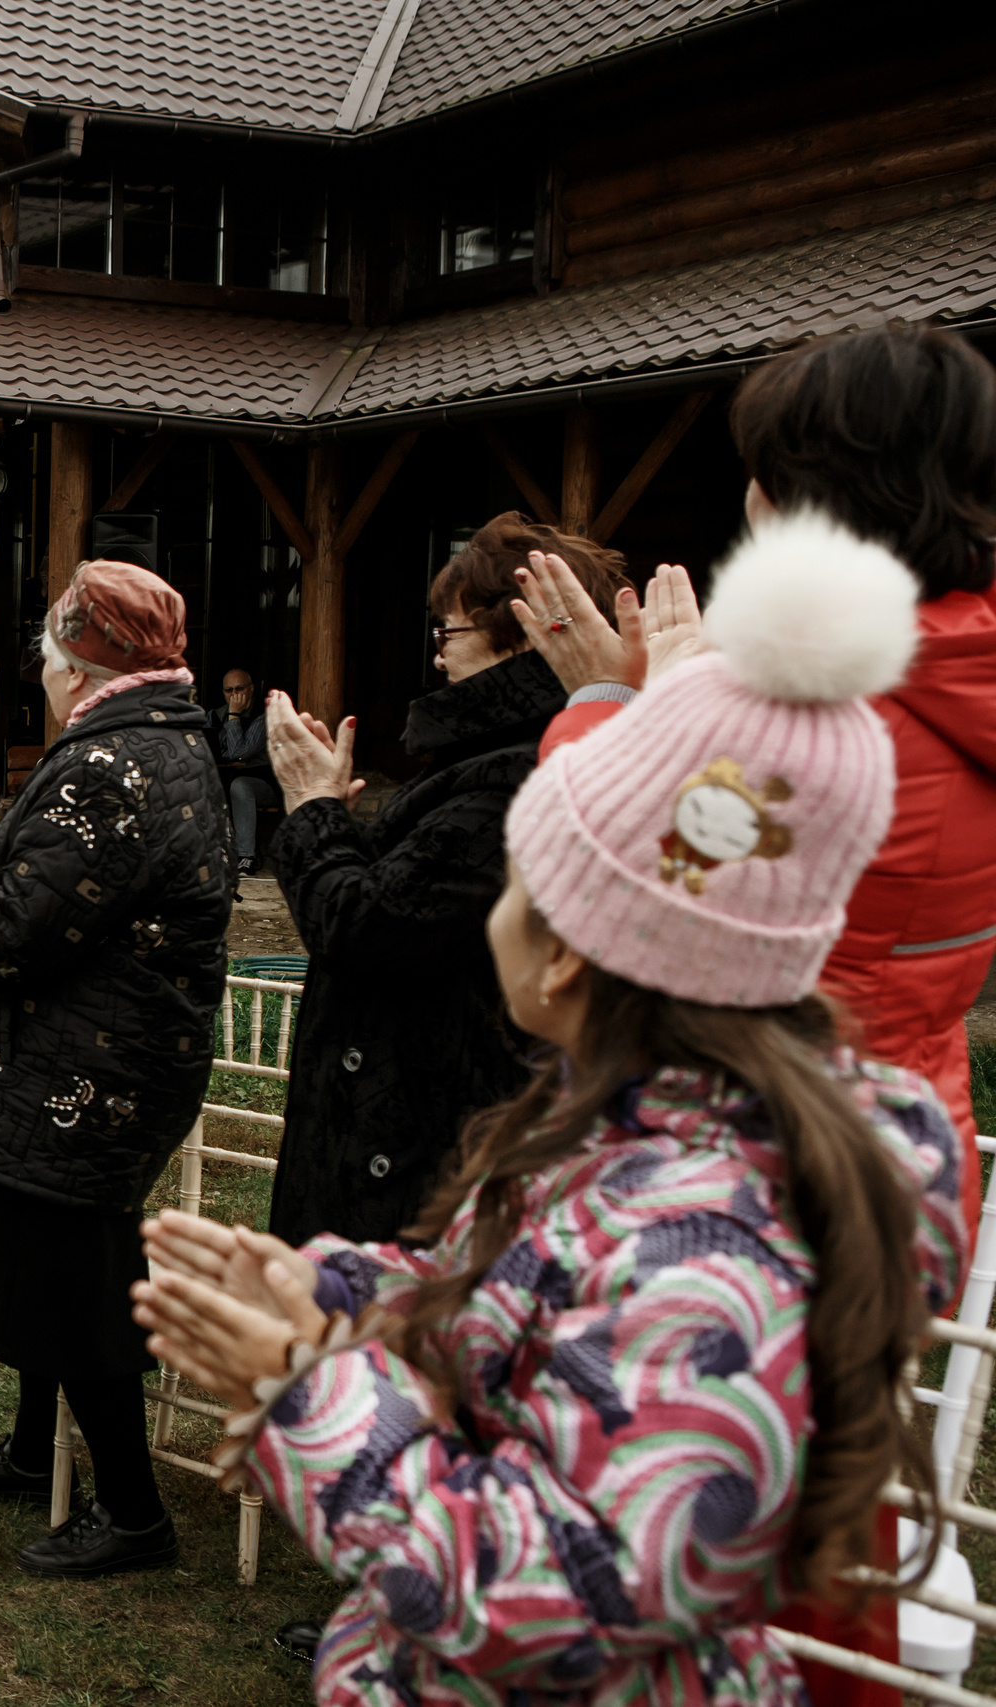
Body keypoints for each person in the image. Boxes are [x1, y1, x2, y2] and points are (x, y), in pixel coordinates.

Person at [132, 514, 965, 1706]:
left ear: (572, 955)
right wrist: (346, 1299)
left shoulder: (705, 1258)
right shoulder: (612, 1135)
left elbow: (567, 1597)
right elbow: (539, 1309)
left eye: (525, 879)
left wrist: (309, 1398)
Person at [508, 319, 996, 1707]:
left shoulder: (825, 717)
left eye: (766, 473)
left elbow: (620, 894)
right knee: (835, 1485)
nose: (746, 502)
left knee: (704, 1512)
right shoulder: (963, 672)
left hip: (755, 1162)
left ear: (822, 503)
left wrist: (614, 705)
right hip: (913, 1125)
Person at [0, 560, 229, 1579]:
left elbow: (11, 939)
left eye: (44, 653)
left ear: (76, 666)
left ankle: (131, 1514)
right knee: (31, 1262)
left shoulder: (109, 761)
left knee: (76, 1286)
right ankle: (38, 1454)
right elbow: (73, 895)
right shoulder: (154, 739)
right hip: (86, 1054)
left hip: (90, 1071)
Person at [262, 514, 629, 1251]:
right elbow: (421, 900)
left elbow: (366, 926)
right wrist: (345, 826)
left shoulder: (513, 776)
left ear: (522, 632)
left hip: (414, 1167)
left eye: (449, 635)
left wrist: (313, 811)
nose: (437, 660)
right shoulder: (489, 759)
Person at [212, 667, 277, 886]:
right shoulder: (215, 714)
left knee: (240, 786)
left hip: (264, 784)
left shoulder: (263, 715)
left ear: (250, 689)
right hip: (228, 777)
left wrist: (233, 716)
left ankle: (246, 857)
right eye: (229, 690)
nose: (234, 694)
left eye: (239, 688)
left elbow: (239, 751)